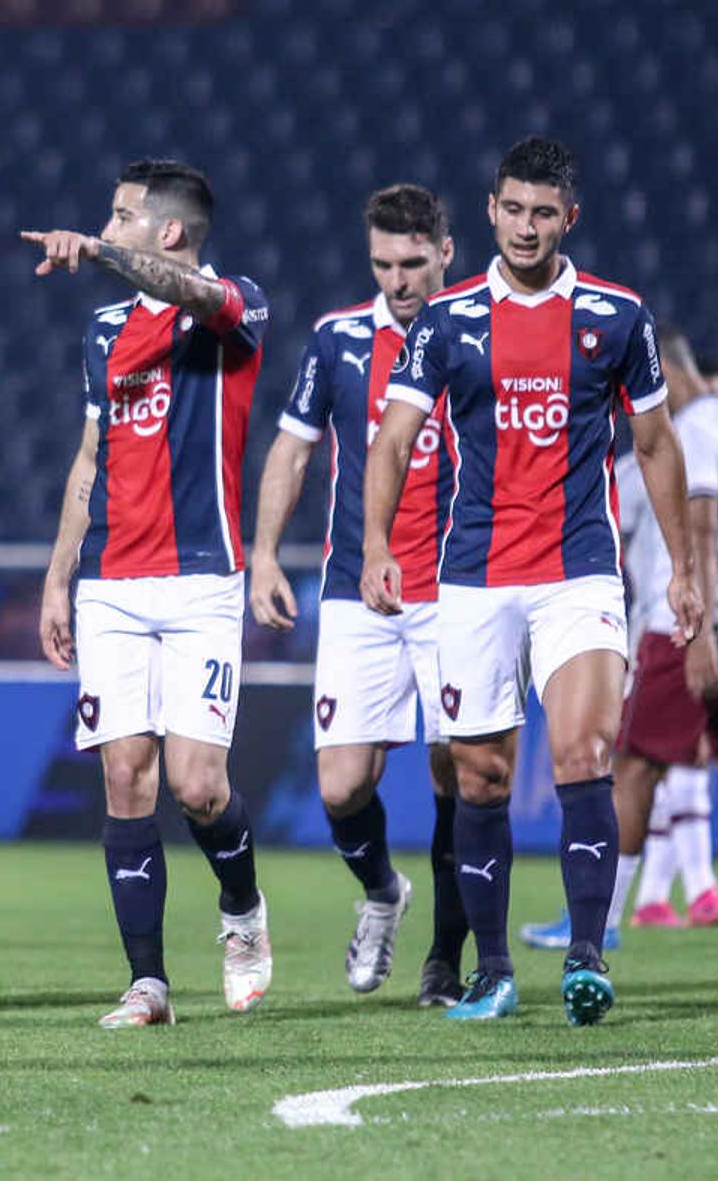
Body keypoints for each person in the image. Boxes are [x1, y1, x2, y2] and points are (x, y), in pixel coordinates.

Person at [362, 135, 705, 1025]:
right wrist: (374, 545)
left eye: (543, 212)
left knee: (585, 753)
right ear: (489, 211)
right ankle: (496, 969)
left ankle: (588, 955)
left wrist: (683, 569)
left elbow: (657, 444)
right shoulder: (446, 320)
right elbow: (394, 439)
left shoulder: (616, 316)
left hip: (579, 570)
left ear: (569, 219)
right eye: (512, 208)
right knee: (479, 776)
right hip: (473, 577)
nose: (525, 226)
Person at [28, 160, 273, 1028]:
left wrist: (96, 250)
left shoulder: (234, 308)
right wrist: (60, 575)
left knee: (199, 785)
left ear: (168, 232)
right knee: (125, 776)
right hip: (112, 586)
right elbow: (91, 459)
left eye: (124, 215)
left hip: (203, 579)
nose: (110, 223)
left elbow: (189, 294)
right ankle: (149, 983)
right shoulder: (102, 331)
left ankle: (241, 909)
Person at [523, 331, 718, 954]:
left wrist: (700, 637)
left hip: (687, 630)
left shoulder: (694, 433)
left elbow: (706, 531)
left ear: (668, 372)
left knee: (632, 772)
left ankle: (595, 922)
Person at [249, 184, 469, 1007]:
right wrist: (264, 553)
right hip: (357, 591)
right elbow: (293, 447)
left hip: (459, 587)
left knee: (460, 769)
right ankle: (382, 890)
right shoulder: (338, 337)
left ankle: (446, 959)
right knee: (342, 783)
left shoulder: (477, 335)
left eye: (413, 262)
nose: (398, 279)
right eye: (383, 263)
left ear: (446, 253)